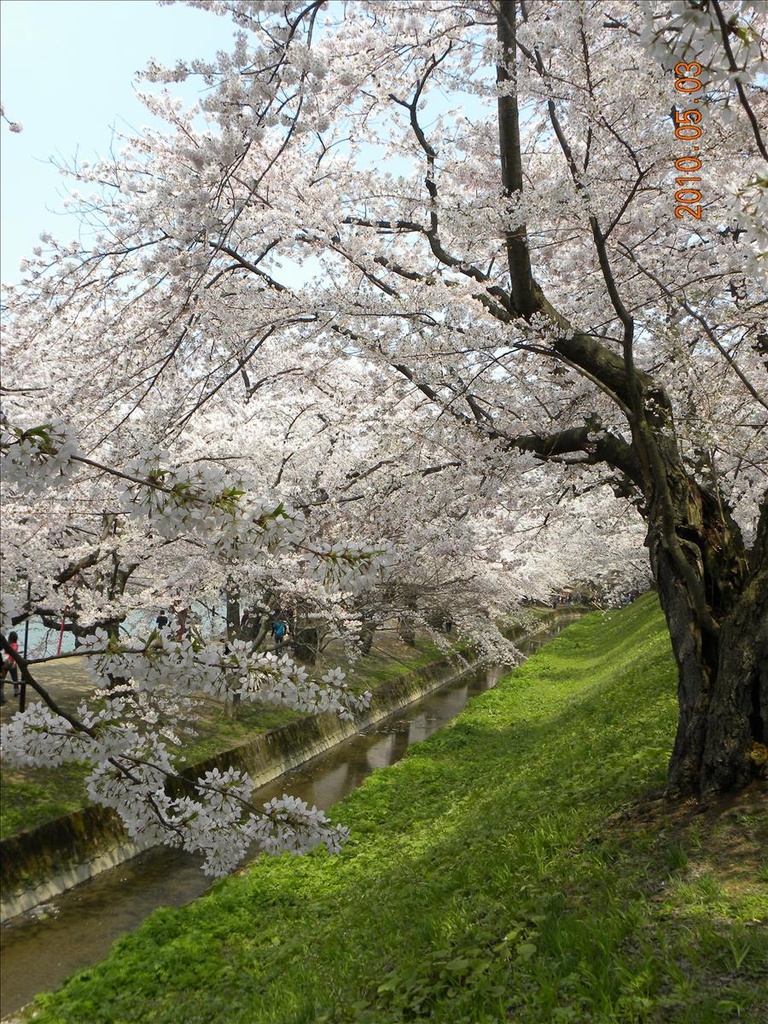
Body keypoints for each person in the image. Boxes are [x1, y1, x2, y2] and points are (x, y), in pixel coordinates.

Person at [3, 631, 20, 699]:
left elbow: (4, 653)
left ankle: (1, 694)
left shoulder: (6, 644)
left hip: (5, 663)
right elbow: (15, 655)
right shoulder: (15, 645)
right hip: (11, 663)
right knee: (15, 678)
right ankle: (16, 691)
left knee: (2, 679)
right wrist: (15, 663)